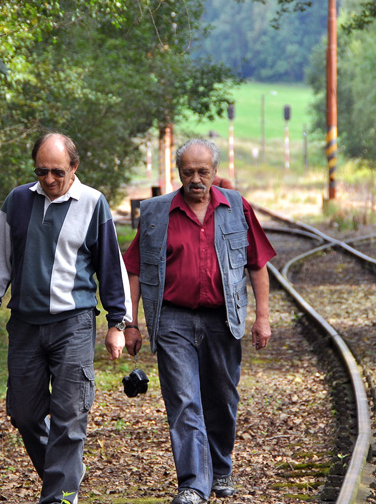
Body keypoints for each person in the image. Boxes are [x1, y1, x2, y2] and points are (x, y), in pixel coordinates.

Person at [121, 138, 276, 504]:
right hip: (172, 319)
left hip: (223, 318)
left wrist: (263, 318)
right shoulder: (157, 213)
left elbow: (257, 265)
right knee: (184, 401)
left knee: (222, 399)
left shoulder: (237, 207)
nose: (195, 180)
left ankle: (221, 469)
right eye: (188, 172)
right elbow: (135, 271)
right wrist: (130, 323)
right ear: (178, 173)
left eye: (203, 172)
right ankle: (192, 484)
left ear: (215, 172)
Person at [0, 133, 132, 504]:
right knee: (24, 413)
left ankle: (61, 497)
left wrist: (118, 323)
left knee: (69, 416)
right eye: (41, 171)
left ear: (74, 167)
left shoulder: (93, 203)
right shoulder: (17, 201)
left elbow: (111, 267)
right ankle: (66, 474)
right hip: (26, 325)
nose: (49, 179)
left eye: (57, 172)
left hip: (74, 324)